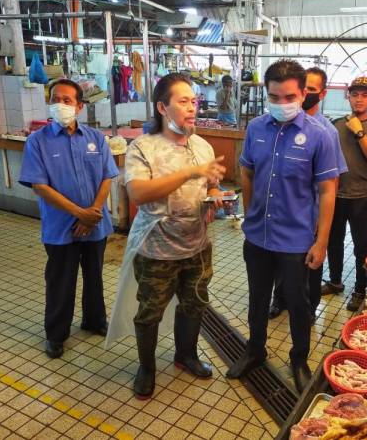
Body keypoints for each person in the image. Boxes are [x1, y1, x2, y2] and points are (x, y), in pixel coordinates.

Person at [107, 73, 228, 400]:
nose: (192, 108)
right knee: (150, 310)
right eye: (183, 101)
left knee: (195, 303)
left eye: (194, 101)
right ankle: (146, 367)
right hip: (156, 248)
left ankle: (185, 354)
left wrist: (215, 193)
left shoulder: (201, 145)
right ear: (162, 107)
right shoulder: (143, 148)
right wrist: (190, 172)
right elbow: (139, 194)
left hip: (197, 245)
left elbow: (211, 184)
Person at [226, 60, 338, 392]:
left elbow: (329, 190)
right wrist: (249, 213)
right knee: (258, 297)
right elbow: (245, 171)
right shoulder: (256, 128)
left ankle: (299, 359)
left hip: (296, 239)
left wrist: (321, 242)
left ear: (304, 93)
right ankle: (254, 350)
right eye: (274, 97)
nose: (281, 104)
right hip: (258, 234)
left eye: (289, 97)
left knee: (298, 303)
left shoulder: (321, 135)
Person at [19, 79, 119, 359]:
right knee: (61, 281)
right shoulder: (37, 141)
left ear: (79, 106)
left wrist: (92, 214)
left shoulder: (95, 139)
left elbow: (107, 177)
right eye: (55, 99)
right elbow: (39, 186)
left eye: (67, 100)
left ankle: (94, 320)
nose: (60, 104)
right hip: (60, 227)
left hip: (96, 225)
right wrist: (79, 214)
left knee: (95, 276)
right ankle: (56, 334)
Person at [268, 67, 347, 321]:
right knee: (281, 265)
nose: (307, 95)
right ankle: (278, 300)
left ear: (318, 94)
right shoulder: (279, 125)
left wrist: (320, 226)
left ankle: (309, 309)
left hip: (310, 214)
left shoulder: (327, 131)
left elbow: (332, 183)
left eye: (312, 90)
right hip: (283, 214)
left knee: (311, 269)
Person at [321, 76, 367, 312]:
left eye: (365, 94)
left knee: (361, 245)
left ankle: (360, 289)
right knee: (333, 241)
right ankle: (335, 281)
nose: (359, 99)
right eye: (355, 94)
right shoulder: (335, 124)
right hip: (336, 195)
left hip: (362, 195)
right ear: (348, 96)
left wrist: (360, 133)